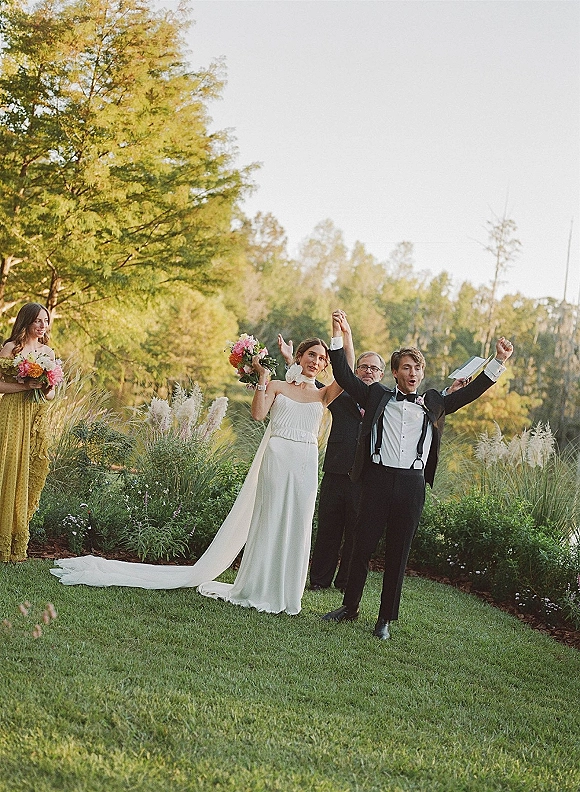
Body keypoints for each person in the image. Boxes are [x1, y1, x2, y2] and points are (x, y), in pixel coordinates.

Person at [52, 325, 354, 616]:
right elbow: (258, 414)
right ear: (300, 357)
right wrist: (262, 375)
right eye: (312, 355)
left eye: (323, 358)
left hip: (305, 464)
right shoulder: (276, 386)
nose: (317, 361)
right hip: (277, 458)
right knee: (272, 518)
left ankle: (287, 593)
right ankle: (259, 587)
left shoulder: (322, 394)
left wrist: (344, 335)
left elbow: (349, 372)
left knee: (297, 524)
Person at [322, 310, 513, 639]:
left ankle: (384, 620)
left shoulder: (435, 401)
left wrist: (498, 360)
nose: (413, 373)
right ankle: (349, 606)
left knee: (398, 553)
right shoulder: (377, 394)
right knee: (361, 547)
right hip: (377, 480)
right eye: (406, 367)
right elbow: (343, 374)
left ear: (422, 373)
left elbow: (470, 392)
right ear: (395, 372)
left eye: (418, 368)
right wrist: (337, 335)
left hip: (411, 485)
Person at [278, 335, 386, 592]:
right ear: (355, 370)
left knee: (356, 532)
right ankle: (319, 580)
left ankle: (346, 581)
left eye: (374, 368)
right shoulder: (339, 394)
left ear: (381, 374)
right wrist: (289, 361)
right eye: (363, 366)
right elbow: (308, 385)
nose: (368, 371)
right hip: (336, 471)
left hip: (366, 476)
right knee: (328, 527)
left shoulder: (387, 401)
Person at [0, 302, 56, 562]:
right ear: (26, 322)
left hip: (35, 416)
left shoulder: (48, 352)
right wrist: (25, 386)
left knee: (26, 468)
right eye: (37, 321)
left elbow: (52, 392)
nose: (43, 325)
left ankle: (15, 541)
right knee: (6, 466)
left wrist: (44, 388)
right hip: (11, 412)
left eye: (45, 320)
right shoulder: (11, 348)